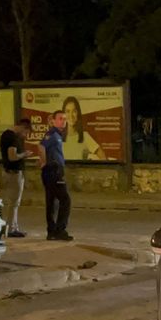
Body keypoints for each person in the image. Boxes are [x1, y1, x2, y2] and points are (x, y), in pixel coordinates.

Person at [40, 110, 72, 241]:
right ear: (53, 121)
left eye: (64, 119)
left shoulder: (57, 134)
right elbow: (41, 146)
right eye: (60, 118)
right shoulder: (52, 134)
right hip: (53, 170)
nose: (63, 121)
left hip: (53, 170)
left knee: (52, 201)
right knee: (65, 200)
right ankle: (60, 230)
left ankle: (52, 231)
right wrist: (43, 162)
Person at [0, 118, 32, 238]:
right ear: (23, 127)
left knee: (14, 202)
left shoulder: (7, 135)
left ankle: (14, 227)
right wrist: (24, 154)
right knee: (14, 202)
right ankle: (11, 229)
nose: (25, 136)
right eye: (26, 132)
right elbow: (12, 156)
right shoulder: (12, 137)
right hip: (14, 172)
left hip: (12, 172)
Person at [60, 96, 106, 161]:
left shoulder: (85, 136)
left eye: (74, 111)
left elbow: (103, 156)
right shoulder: (57, 137)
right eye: (67, 111)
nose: (71, 115)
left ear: (78, 113)